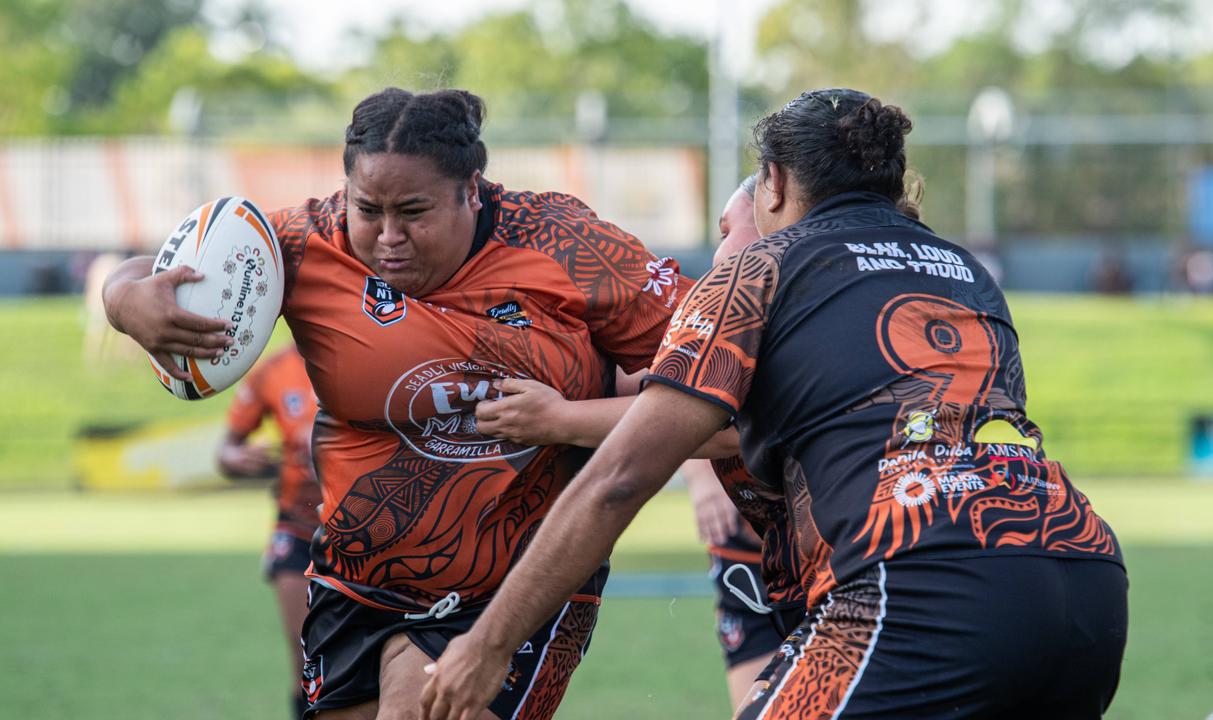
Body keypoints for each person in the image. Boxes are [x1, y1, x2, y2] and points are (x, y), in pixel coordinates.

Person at [420, 89, 1128, 720]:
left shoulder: (760, 268)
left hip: (921, 586)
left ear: (776, 182)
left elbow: (620, 479)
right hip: (1087, 580)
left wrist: (487, 646)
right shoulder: (966, 272)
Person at [101, 87, 692, 720]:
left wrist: (565, 421)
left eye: (413, 211)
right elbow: (165, 271)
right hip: (353, 577)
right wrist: (126, 302)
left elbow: (718, 396)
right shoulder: (305, 241)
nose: (388, 237)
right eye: (368, 209)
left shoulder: (569, 247)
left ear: (473, 188)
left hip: (515, 581)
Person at [474, 177, 782, 707]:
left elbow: (721, 421)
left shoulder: (796, 323)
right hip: (759, 554)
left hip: (843, 567)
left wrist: (559, 418)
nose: (719, 251)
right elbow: (662, 391)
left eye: (731, 231)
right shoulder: (718, 316)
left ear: (782, 222)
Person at [216, 343, 322, 720]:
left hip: (358, 529)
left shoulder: (365, 354)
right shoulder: (272, 370)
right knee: (304, 654)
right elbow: (225, 450)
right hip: (296, 525)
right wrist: (236, 458)